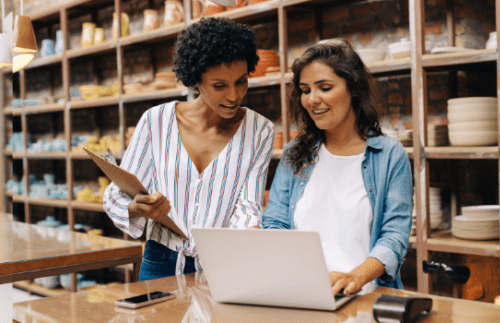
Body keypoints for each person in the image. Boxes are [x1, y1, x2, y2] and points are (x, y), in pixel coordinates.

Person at [104, 17, 274, 281]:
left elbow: (248, 206)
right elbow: (116, 195)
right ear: (196, 80)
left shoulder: (260, 130)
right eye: (219, 85)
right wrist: (139, 208)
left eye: (241, 81)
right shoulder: (156, 121)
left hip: (224, 266)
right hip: (160, 262)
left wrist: (254, 238)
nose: (233, 95)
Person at [262, 40, 412, 295]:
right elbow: (275, 224)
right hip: (303, 294)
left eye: (325, 87)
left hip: (363, 295)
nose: (312, 99)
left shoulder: (388, 155)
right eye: (305, 90)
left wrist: (355, 277)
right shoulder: (294, 153)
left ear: (353, 88)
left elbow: (394, 236)